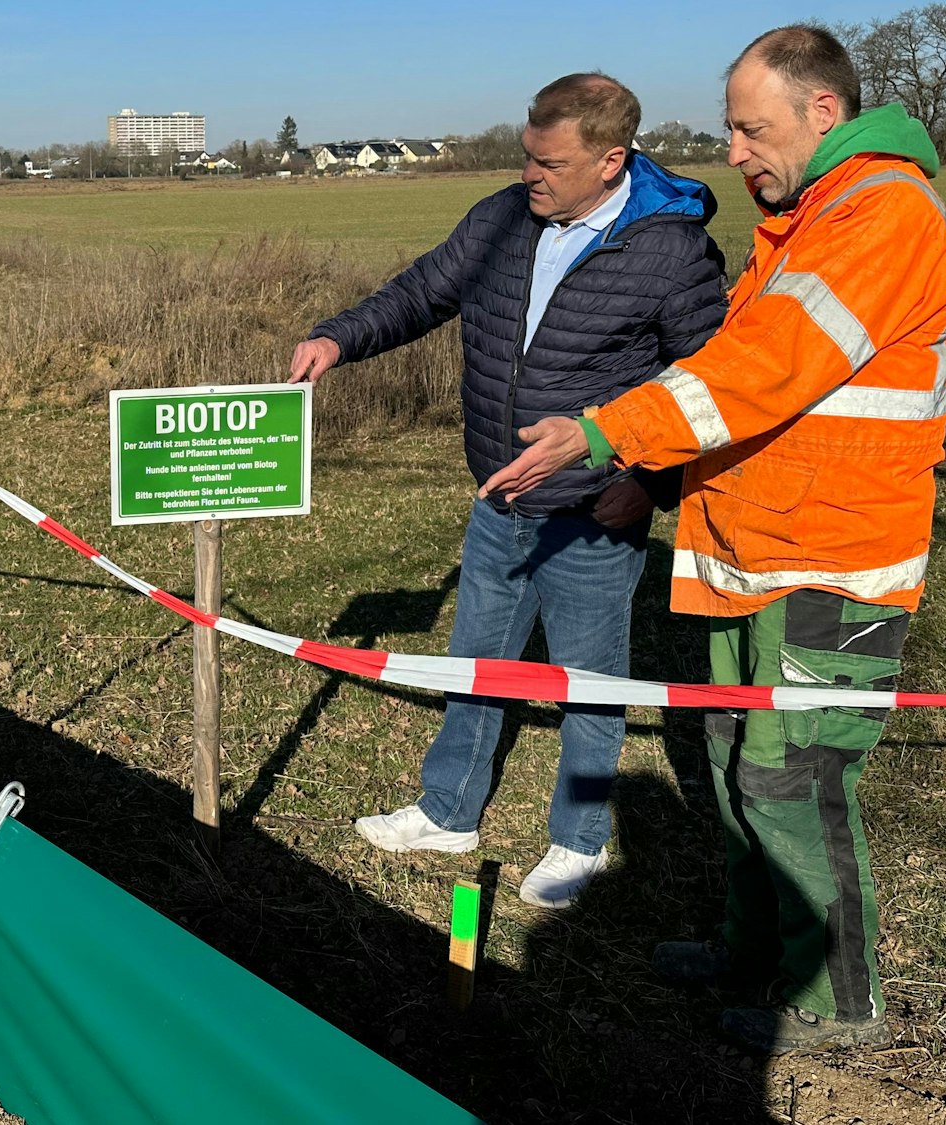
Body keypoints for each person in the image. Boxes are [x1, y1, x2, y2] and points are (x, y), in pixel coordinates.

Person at [482, 26, 946, 1053]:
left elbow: (761, 371)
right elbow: (730, 379)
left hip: (832, 563)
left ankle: (836, 1001)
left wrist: (607, 433)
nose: (734, 152)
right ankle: (752, 948)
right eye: (730, 130)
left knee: (789, 782)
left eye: (750, 129)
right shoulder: (805, 221)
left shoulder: (882, 216)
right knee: (731, 762)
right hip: (749, 553)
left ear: (821, 114)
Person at [288, 73, 727, 909]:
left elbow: (704, 383)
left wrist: (651, 483)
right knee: (477, 661)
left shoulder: (672, 251)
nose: (530, 175)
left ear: (610, 160)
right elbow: (421, 291)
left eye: (549, 163)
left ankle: (581, 839)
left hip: (594, 513)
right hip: (497, 496)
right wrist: (338, 339)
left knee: (588, 684)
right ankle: (449, 810)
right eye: (526, 155)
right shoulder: (501, 220)